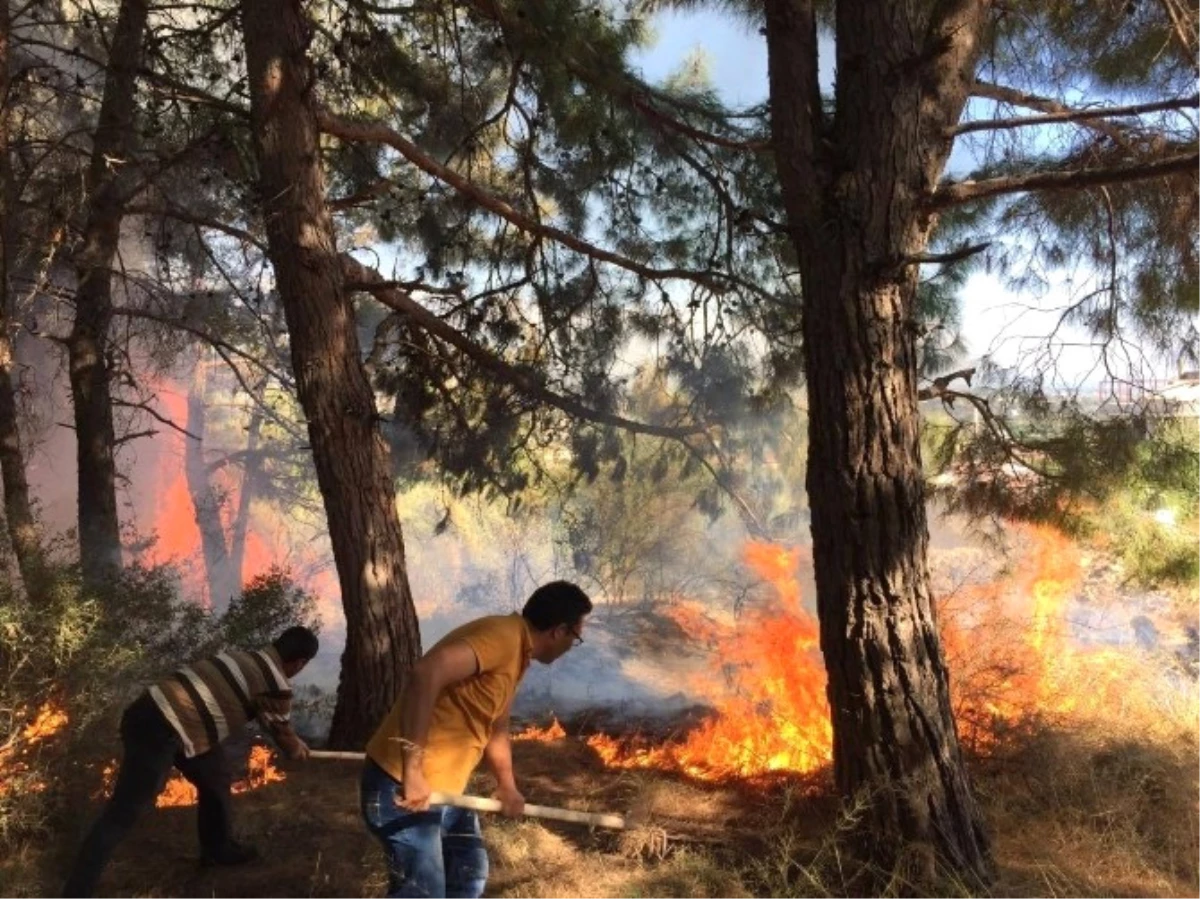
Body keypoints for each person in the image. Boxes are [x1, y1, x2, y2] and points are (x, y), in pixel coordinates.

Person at [361, 581, 592, 898]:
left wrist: (507, 785)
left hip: (446, 789)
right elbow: (426, 673)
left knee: (468, 875)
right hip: (402, 785)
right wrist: (413, 771)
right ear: (558, 631)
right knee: (422, 892)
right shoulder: (502, 637)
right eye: (575, 638)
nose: (572, 645)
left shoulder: (517, 653)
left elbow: (496, 725)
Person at [62, 626, 319, 897]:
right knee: (122, 814)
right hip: (163, 730)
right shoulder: (275, 683)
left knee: (216, 777)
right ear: (299, 663)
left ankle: (219, 850)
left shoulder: (241, 657)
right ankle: (76, 891)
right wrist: (297, 748)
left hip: (151, 713)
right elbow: (282, 735)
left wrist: (291, 740)